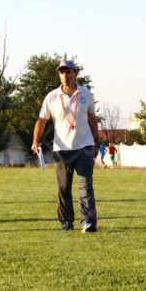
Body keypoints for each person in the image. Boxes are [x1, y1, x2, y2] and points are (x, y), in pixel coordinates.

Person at [31, 59, 100, 232]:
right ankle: (66, 222)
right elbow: (42, 120)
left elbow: (92, 120)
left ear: (75, 74)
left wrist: (96, 142)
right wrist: (35, 141)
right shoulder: (52, 97)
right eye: (62, 72)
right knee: (63, 188)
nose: (65, 75)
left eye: (68, 72)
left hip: (84, 147)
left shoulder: (85, 94)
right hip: (61, 150)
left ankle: (87, 221)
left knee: (86, 186)